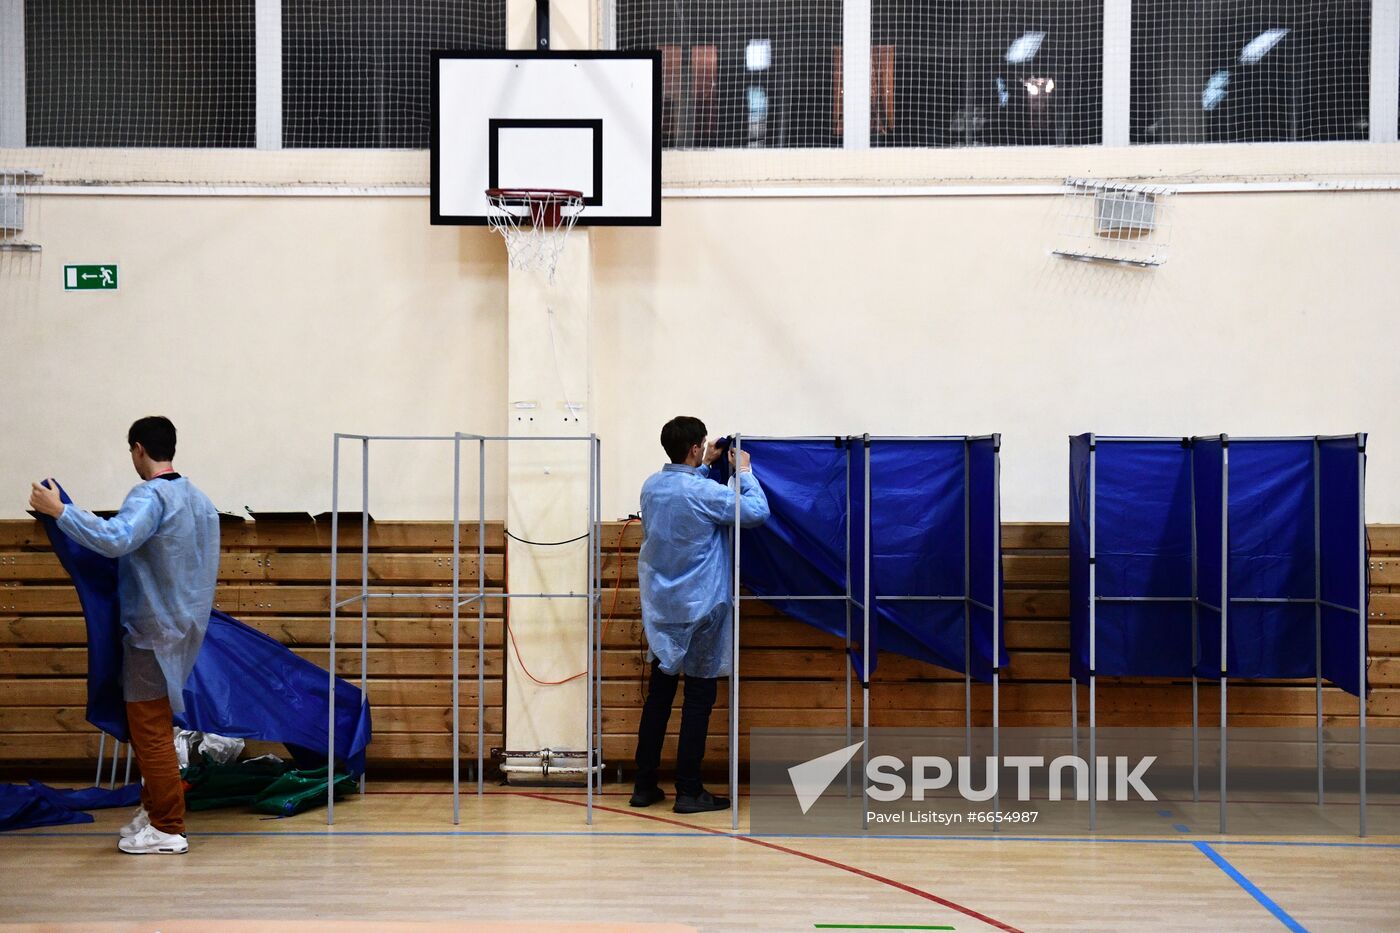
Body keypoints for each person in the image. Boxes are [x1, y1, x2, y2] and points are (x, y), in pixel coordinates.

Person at [29, 416, 219, 855]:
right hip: (185, 627)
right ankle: (156, 813)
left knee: (150, 729)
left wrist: (61, 512)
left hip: (151, 630)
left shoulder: (151, 495)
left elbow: (117, 538)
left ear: (138, 449)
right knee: (155, 724)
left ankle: (169, 827)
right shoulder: (199, 500)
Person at [631, 416, 770, 814]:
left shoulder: (651, 488)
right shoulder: (706, 493)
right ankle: (689, 791)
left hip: (661, 609)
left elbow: (685, 494)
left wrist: (705, 465)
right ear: (694, 448)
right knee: (698, 698)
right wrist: (742, 472)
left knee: (658, 696)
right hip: (703, 605)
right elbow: (756, 512)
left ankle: (644, 785)